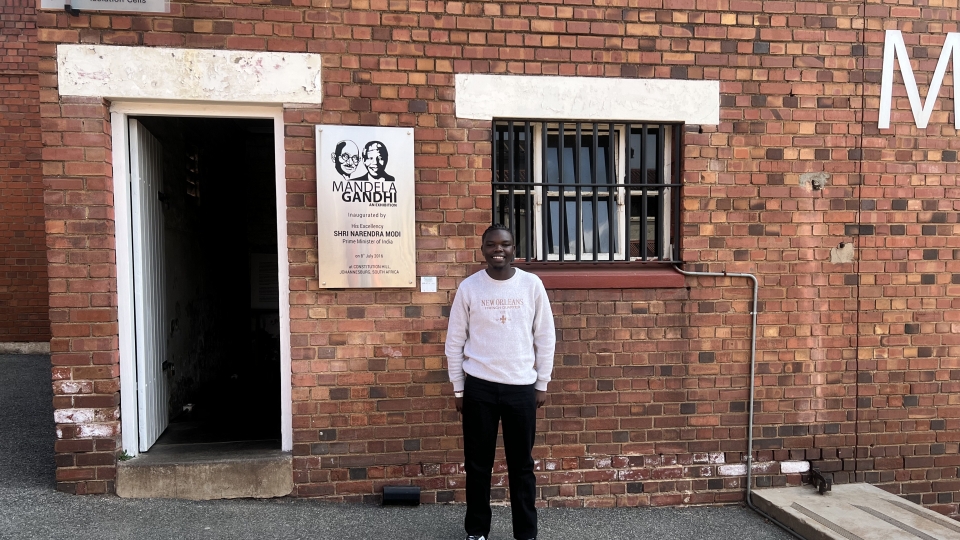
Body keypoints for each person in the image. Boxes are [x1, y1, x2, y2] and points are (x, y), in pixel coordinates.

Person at [446, 223, 556, 540]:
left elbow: (545, 337)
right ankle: (477, 531)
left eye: (505, 244)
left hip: (521, 388)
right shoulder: (469, 288)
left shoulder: (531, 286)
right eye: (492, 244)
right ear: (482, 250)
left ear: (513, 249)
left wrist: (542, 382)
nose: (499, 250)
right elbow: (454, 341)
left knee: (521, 466)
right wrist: (458, 387)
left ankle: (526, 533)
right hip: (479, 387)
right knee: (478, 465)